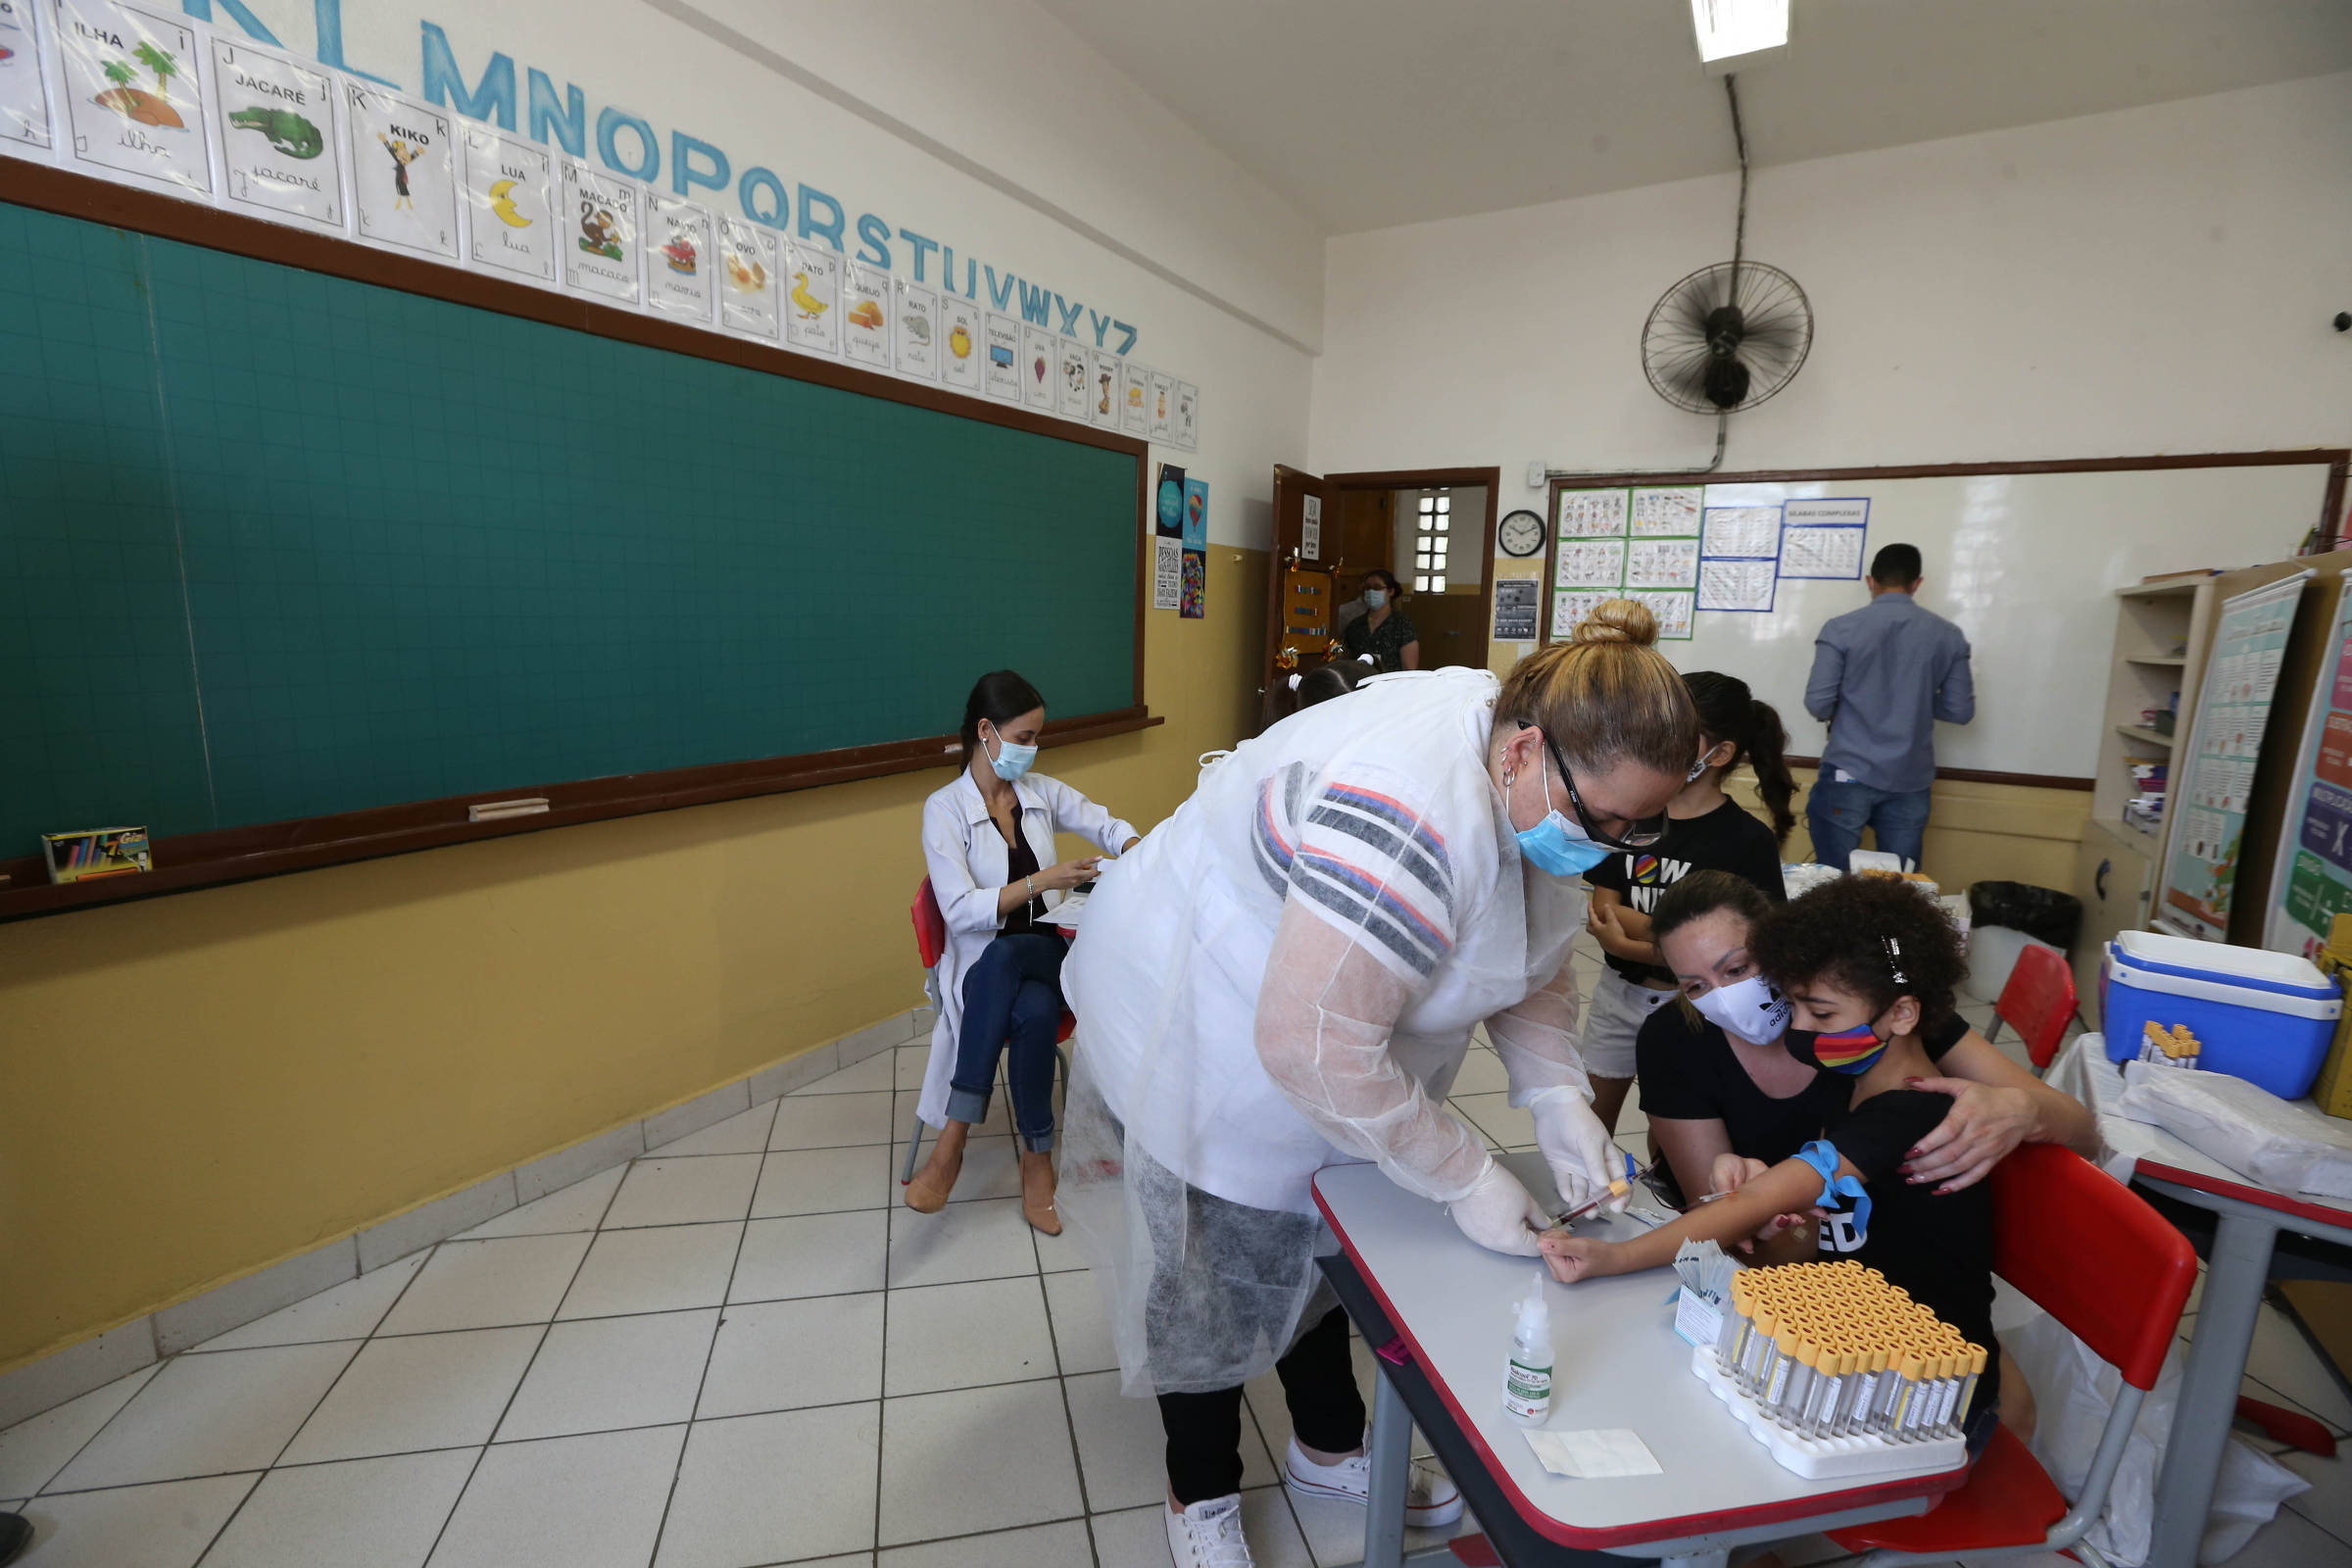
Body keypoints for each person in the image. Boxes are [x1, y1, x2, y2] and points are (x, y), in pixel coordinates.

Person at [1059, 600, 1700, 1568]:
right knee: (1212, 1264)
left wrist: (1557, 1098)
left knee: (1328, 1238)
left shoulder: (1540, 778)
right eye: (1602, 818)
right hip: (1207, 1012)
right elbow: (1311, 1045)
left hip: (1325, 1011)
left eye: (1635, 823)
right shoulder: (1406, 810)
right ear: (1523, 751)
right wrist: (1463, 1174)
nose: (1610, 840)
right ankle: (1199, 1491)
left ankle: (1327, 1446)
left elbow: (1523, 960)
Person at [1543, 876, 2028, 1449]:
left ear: (1901, 1014)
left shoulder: (1908, 1113)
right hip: (1861, 1347)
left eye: (1819, 1014)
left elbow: (1758, 1202)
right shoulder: (1853, 1094)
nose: (1797, 1029)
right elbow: (1816, 1234)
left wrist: (1615, 1257)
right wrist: (1775, 1223)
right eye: (1794, 1006)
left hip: (1928, 1400)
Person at [1636, 869, 2093, 1215]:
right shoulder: (1673, 1041)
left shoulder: (1884, 1006)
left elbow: (2082, 1132)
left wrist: (2022, 1110)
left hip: (1874, 1256)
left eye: (1738, 969)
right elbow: (1719, 1222)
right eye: (1695, 986)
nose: (1725, 998)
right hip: (1785, 1261)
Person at [912, 670, 1140, 1233]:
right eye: (1024, 737)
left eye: (1038, 737)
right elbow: (961, 911)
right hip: (982, 964)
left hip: (1048, 950)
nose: (1033, 749)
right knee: (1032, 1009)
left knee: (1010, 958)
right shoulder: (943, 810)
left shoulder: (1040, 792)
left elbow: (1105, 825)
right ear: (986, 732)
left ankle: (955, 1136)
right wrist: (1047, 878)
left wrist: (1138, 850)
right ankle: (1038, 1161)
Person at [1582, 670, 1795, 1132]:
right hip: (1618, 995)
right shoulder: (1634, 815)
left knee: (1676, 1129)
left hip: (1698, 1006)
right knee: (1591, 1119)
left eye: (1675, 733)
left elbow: (1747, 946)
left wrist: (1632, 941)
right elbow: (1603, 911)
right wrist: (1674, 944)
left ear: (1719, 754)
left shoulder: (1746, 840)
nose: (1657, 742)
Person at [1803, 543, 1975, 872]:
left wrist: (1859, 696)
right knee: (1898, 888)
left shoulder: (1840, 629)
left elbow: (1818, 703)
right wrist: (1916, 698)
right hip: (1910, 779)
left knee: (1832, 883)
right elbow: (1960, 711)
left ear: (1871, 581)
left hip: (1847, 772)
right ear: (1917, 583)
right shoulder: (1949, 635)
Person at [1339, 568, 1419, 672]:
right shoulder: (1355, 625)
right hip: (1361, 683)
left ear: (1390, 591)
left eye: (1377, 587)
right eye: (1367, 588)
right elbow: (1345, 659)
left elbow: (1410, 668)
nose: (1371, 591)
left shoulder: (1403, 624)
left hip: (1392, 684)